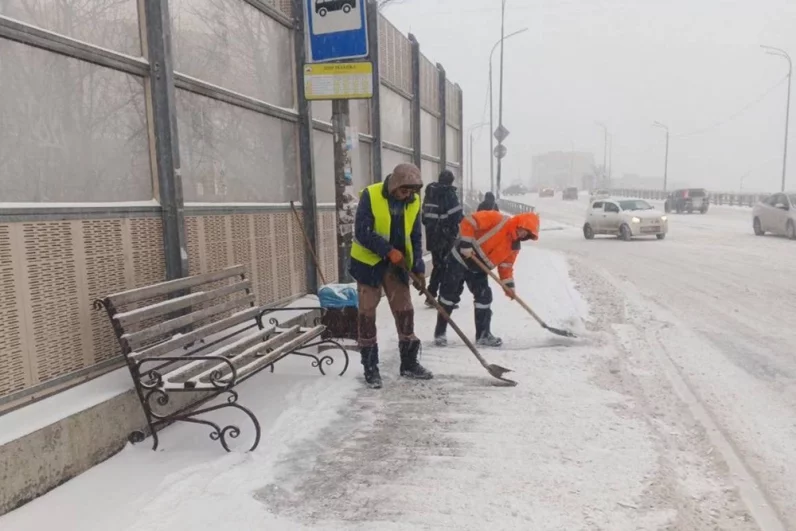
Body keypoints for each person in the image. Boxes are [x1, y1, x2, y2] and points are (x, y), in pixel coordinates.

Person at [349, 163, 433, 389]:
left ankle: (408, 363)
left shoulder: (413, 202)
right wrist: (388, 250)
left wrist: (418, 268)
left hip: (398, 266)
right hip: (369, 263)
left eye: (412, 192)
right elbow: (362, 232)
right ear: (395, 185)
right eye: (405, 191)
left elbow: (415, 237)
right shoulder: (371, 194)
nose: (408, 196)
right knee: (366, 315)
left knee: (405, 311)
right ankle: (370, 367)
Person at [433, 210, 540, 347]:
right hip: (460, 259)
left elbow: (506, 267)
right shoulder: (497, 219)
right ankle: (440, 333)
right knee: (449, 296)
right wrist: (466, 244)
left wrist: (509, 286)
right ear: (519, 223)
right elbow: (469, 221)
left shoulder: (514, 246)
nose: (523, 234)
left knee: (484, 298)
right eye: (524, 230)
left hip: (478, 268)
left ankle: (483, 335)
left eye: (527, 234)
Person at [421, 170, 464, 306]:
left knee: (438, 266)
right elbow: (456, 216)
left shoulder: (430, 194)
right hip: (446, 237)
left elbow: (424, 218)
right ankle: (443, 298)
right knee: (447, 268)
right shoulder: (449, 194)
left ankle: (431, 295)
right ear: (451, 181)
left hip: (432, 236)